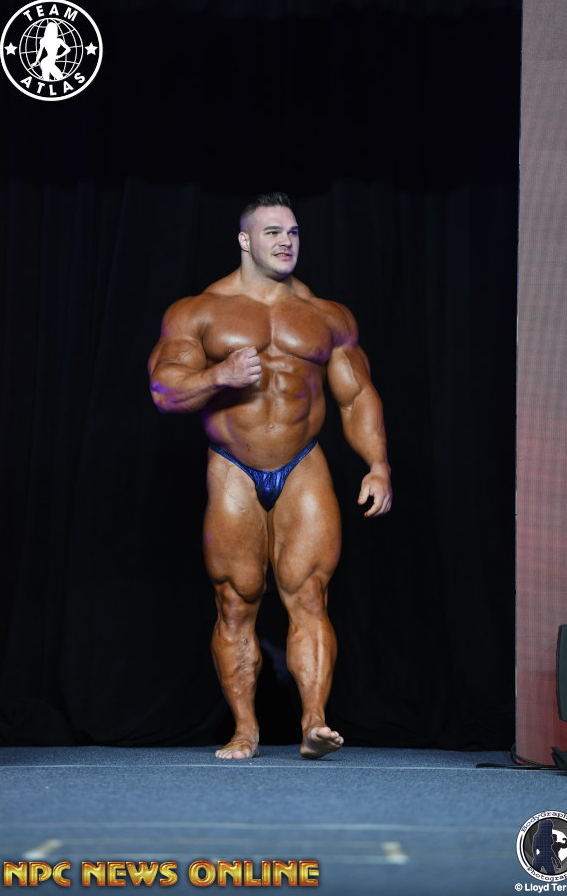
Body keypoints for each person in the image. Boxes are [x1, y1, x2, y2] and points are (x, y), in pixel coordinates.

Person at [148, 193, 392, 760]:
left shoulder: (327, 315)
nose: (286, 242)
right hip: (231, 466)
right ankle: (245, 730)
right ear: (245, 240)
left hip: (303, 462)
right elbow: (163, 391)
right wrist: (219, 375)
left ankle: (314, 722)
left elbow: (356, 396)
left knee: (310, 596)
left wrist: (378, 465)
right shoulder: (198, 311)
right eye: (273, 232)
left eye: (293, 232)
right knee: (236, 601)